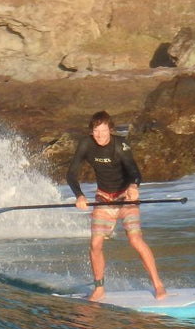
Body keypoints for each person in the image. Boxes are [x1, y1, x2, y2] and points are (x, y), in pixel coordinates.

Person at [67, 110, 166, 302]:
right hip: (103, 197)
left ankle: (158, 284)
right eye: (96, 131)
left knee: (135, 240)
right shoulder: (86, 144)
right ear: (91, 132)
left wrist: (133, 186)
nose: (100, 136)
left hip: (125, 197)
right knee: (95, 244)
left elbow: (134, 171)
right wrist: (79, 195)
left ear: (110, 130)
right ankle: (99, 288)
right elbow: (71, 173)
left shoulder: (121, 145)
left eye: (104, 131)